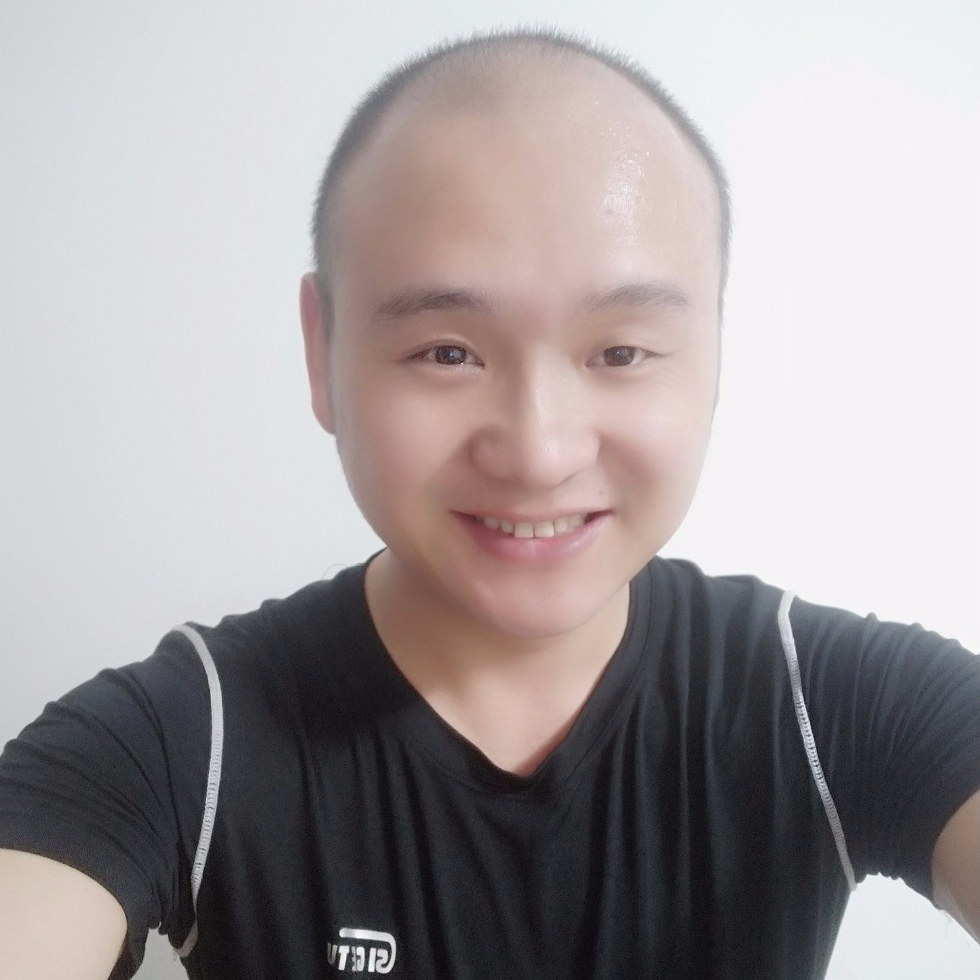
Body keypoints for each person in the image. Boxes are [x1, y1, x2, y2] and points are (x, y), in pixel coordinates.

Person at [0, 28, 977, 980]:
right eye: (447, 352)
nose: (540, 451)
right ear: (321, 352)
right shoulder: (182, 740)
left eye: (620, 351)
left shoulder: (834, 701)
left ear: (714, 349)